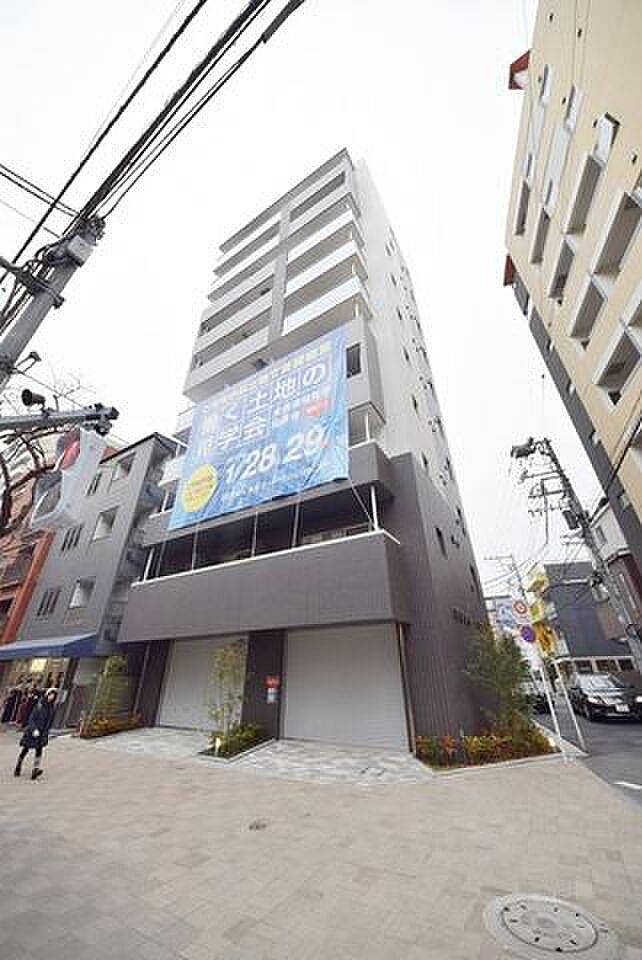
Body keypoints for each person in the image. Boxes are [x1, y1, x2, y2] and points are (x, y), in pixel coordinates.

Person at [14, 688, 58, 781]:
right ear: (47, 695)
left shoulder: (52, 709)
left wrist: (46, 733)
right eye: (50, 695)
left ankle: (35, 769)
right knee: (25, 749)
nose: (51, 697)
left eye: (53, 696)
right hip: (32, 732)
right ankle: (18, 766)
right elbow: (31, 719)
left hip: (42, 733)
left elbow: (49, 722)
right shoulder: (39, 705)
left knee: (39, 750)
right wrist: (34, 729)